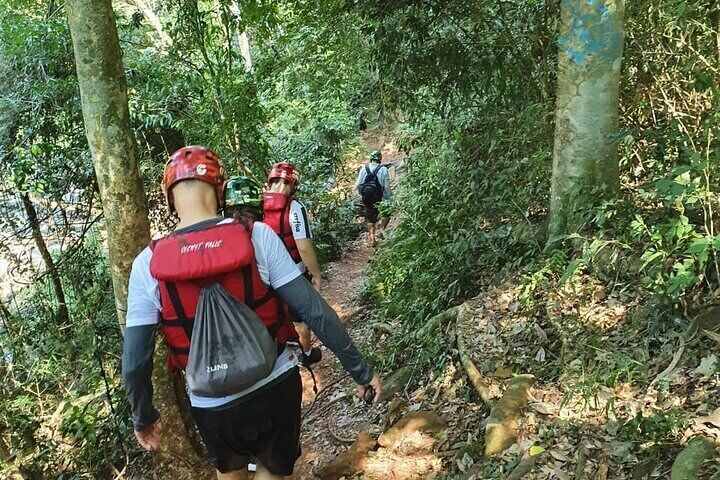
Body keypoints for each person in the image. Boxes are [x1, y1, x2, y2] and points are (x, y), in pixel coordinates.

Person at [122, 146, 382, 480]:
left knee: (230, 473)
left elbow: (134, 361)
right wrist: (360, 373)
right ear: (220, 190)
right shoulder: (258, 236)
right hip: (273, 386)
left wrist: (143, 418)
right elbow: (315, 312)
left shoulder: (147, 264)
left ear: (170, 199)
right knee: (271, 472)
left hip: (212, 404)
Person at [262, 162, 322, 367]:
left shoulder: (257, 206)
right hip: (292, 274)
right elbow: (303, 247)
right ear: (293, 184)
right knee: (300, 321)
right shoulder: (294, 208)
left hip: (265, 276)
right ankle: (306, 354)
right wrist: (316, 274)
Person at [355, 150, 392, 247]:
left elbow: (358, 185)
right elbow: (386, 186)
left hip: (367, 198)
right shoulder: (383, 169)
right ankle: (381, 232)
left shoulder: (364, 168)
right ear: (380, 159)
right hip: (379, 198)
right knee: (387, 214)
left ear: (371, 159)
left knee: (370, 219)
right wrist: (389, 198)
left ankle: (372, 239)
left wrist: (362, 194)